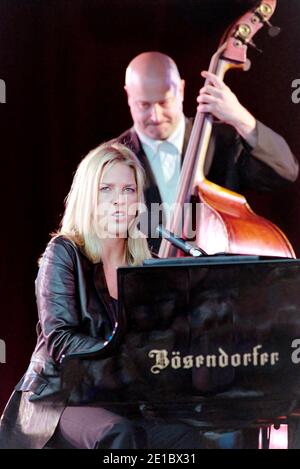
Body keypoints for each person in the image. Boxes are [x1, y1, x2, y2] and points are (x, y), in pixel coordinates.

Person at [118, 51, 299, 252]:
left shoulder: (223, 141)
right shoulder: (113, 157)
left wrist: (241, 119)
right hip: (146, 282)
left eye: (163, 102)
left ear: (181, 90)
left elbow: (285, 170)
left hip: (219, 281)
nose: (155, 116)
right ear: (128, 96)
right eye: (144, 105)